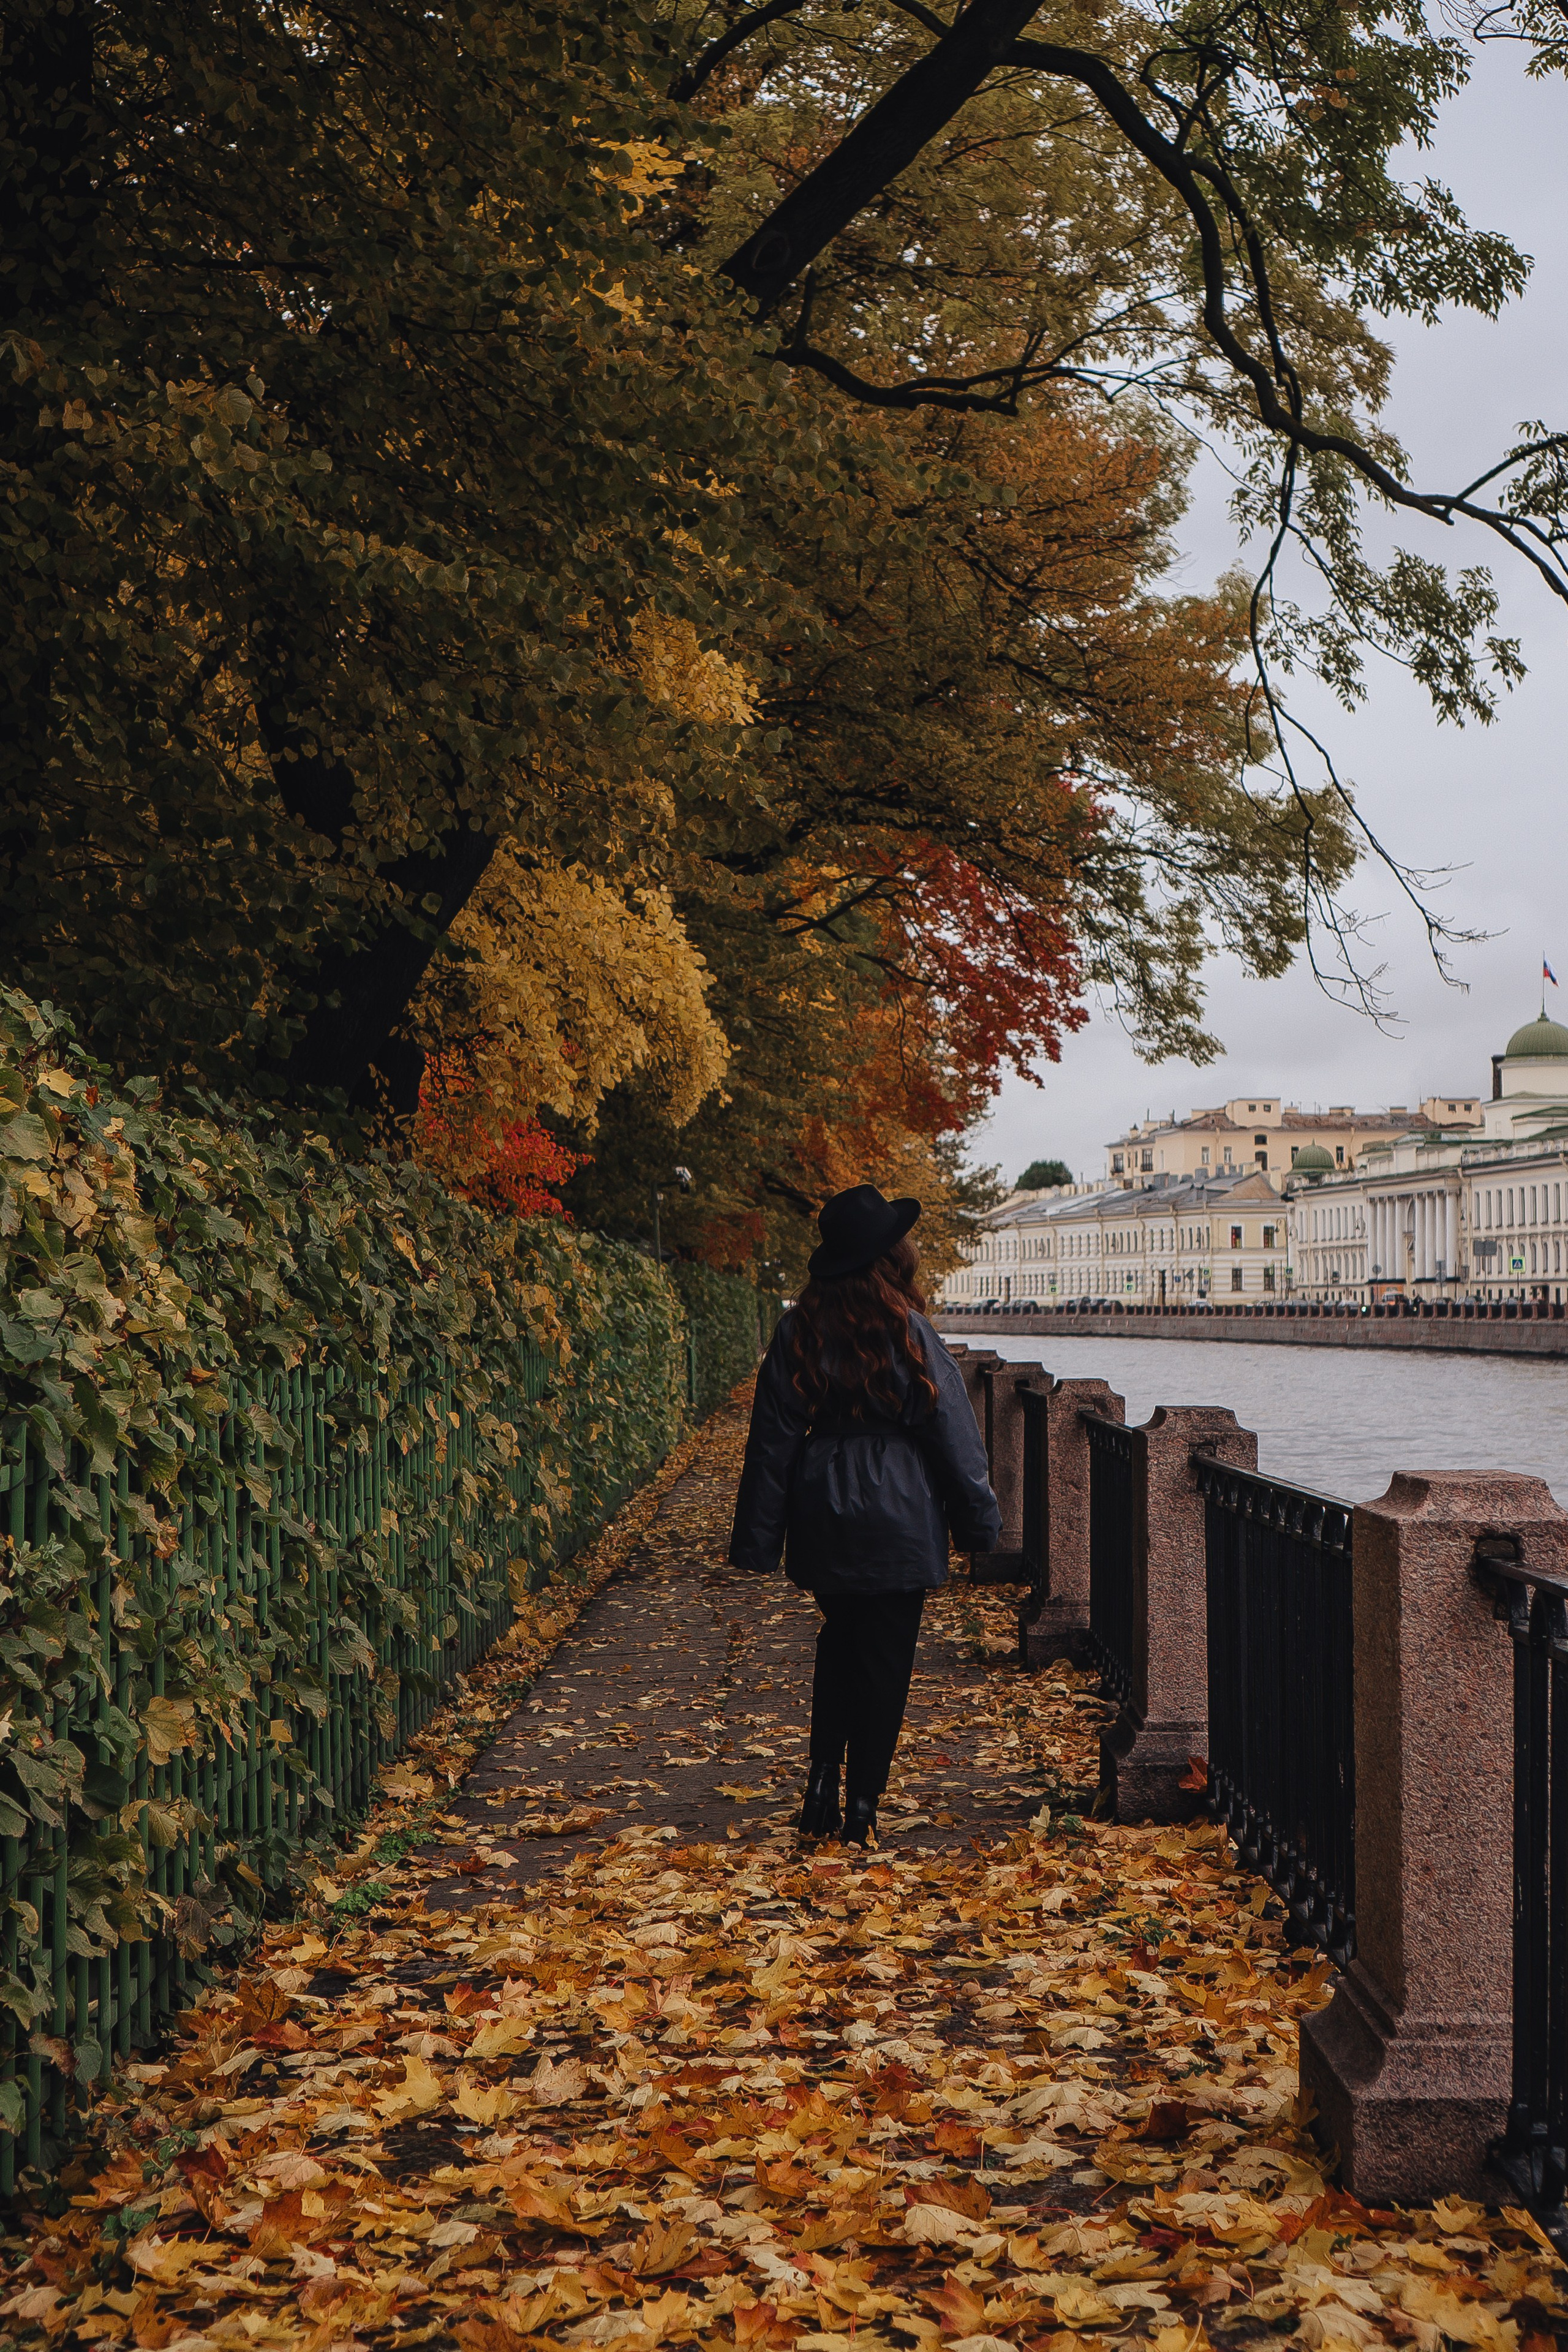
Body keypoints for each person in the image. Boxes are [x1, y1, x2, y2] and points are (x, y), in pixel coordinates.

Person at [728, 1185, 1001, 1847]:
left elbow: (771, 1442)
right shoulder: (909, 1329)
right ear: (890, 1256)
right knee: (886, 1661)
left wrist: (759, 1540)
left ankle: (821, 1783)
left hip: (823, 1504)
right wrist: (978, 1523)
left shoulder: (798, 1329)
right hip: (899, 1509)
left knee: (840, 1641)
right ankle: (861, 1809)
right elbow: (953, 1434)